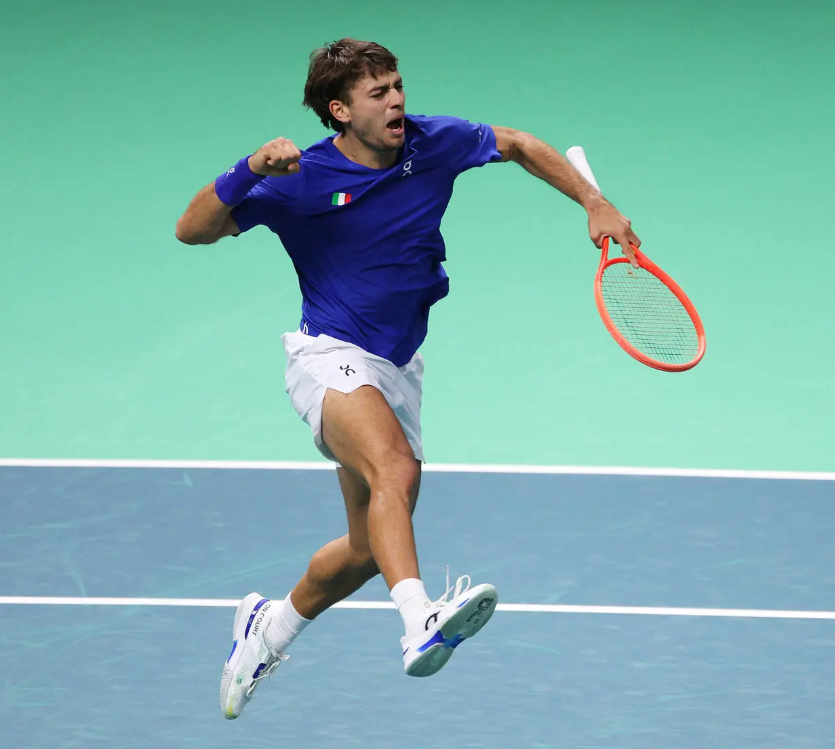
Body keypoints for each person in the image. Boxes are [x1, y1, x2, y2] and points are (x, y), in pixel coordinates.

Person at [174, 38, 641, 720]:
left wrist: (594, 202)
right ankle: (419, 620)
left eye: (397, 85)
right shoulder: (302, 179)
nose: (397, 100)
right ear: (340, 111)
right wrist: (250, 168)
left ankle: (266, 630)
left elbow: (516, 143)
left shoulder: (432, 142)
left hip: (397, 366)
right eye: (378, 93)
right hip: (328, 354)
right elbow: (192, 230)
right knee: (392, 467)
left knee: (368, 548)